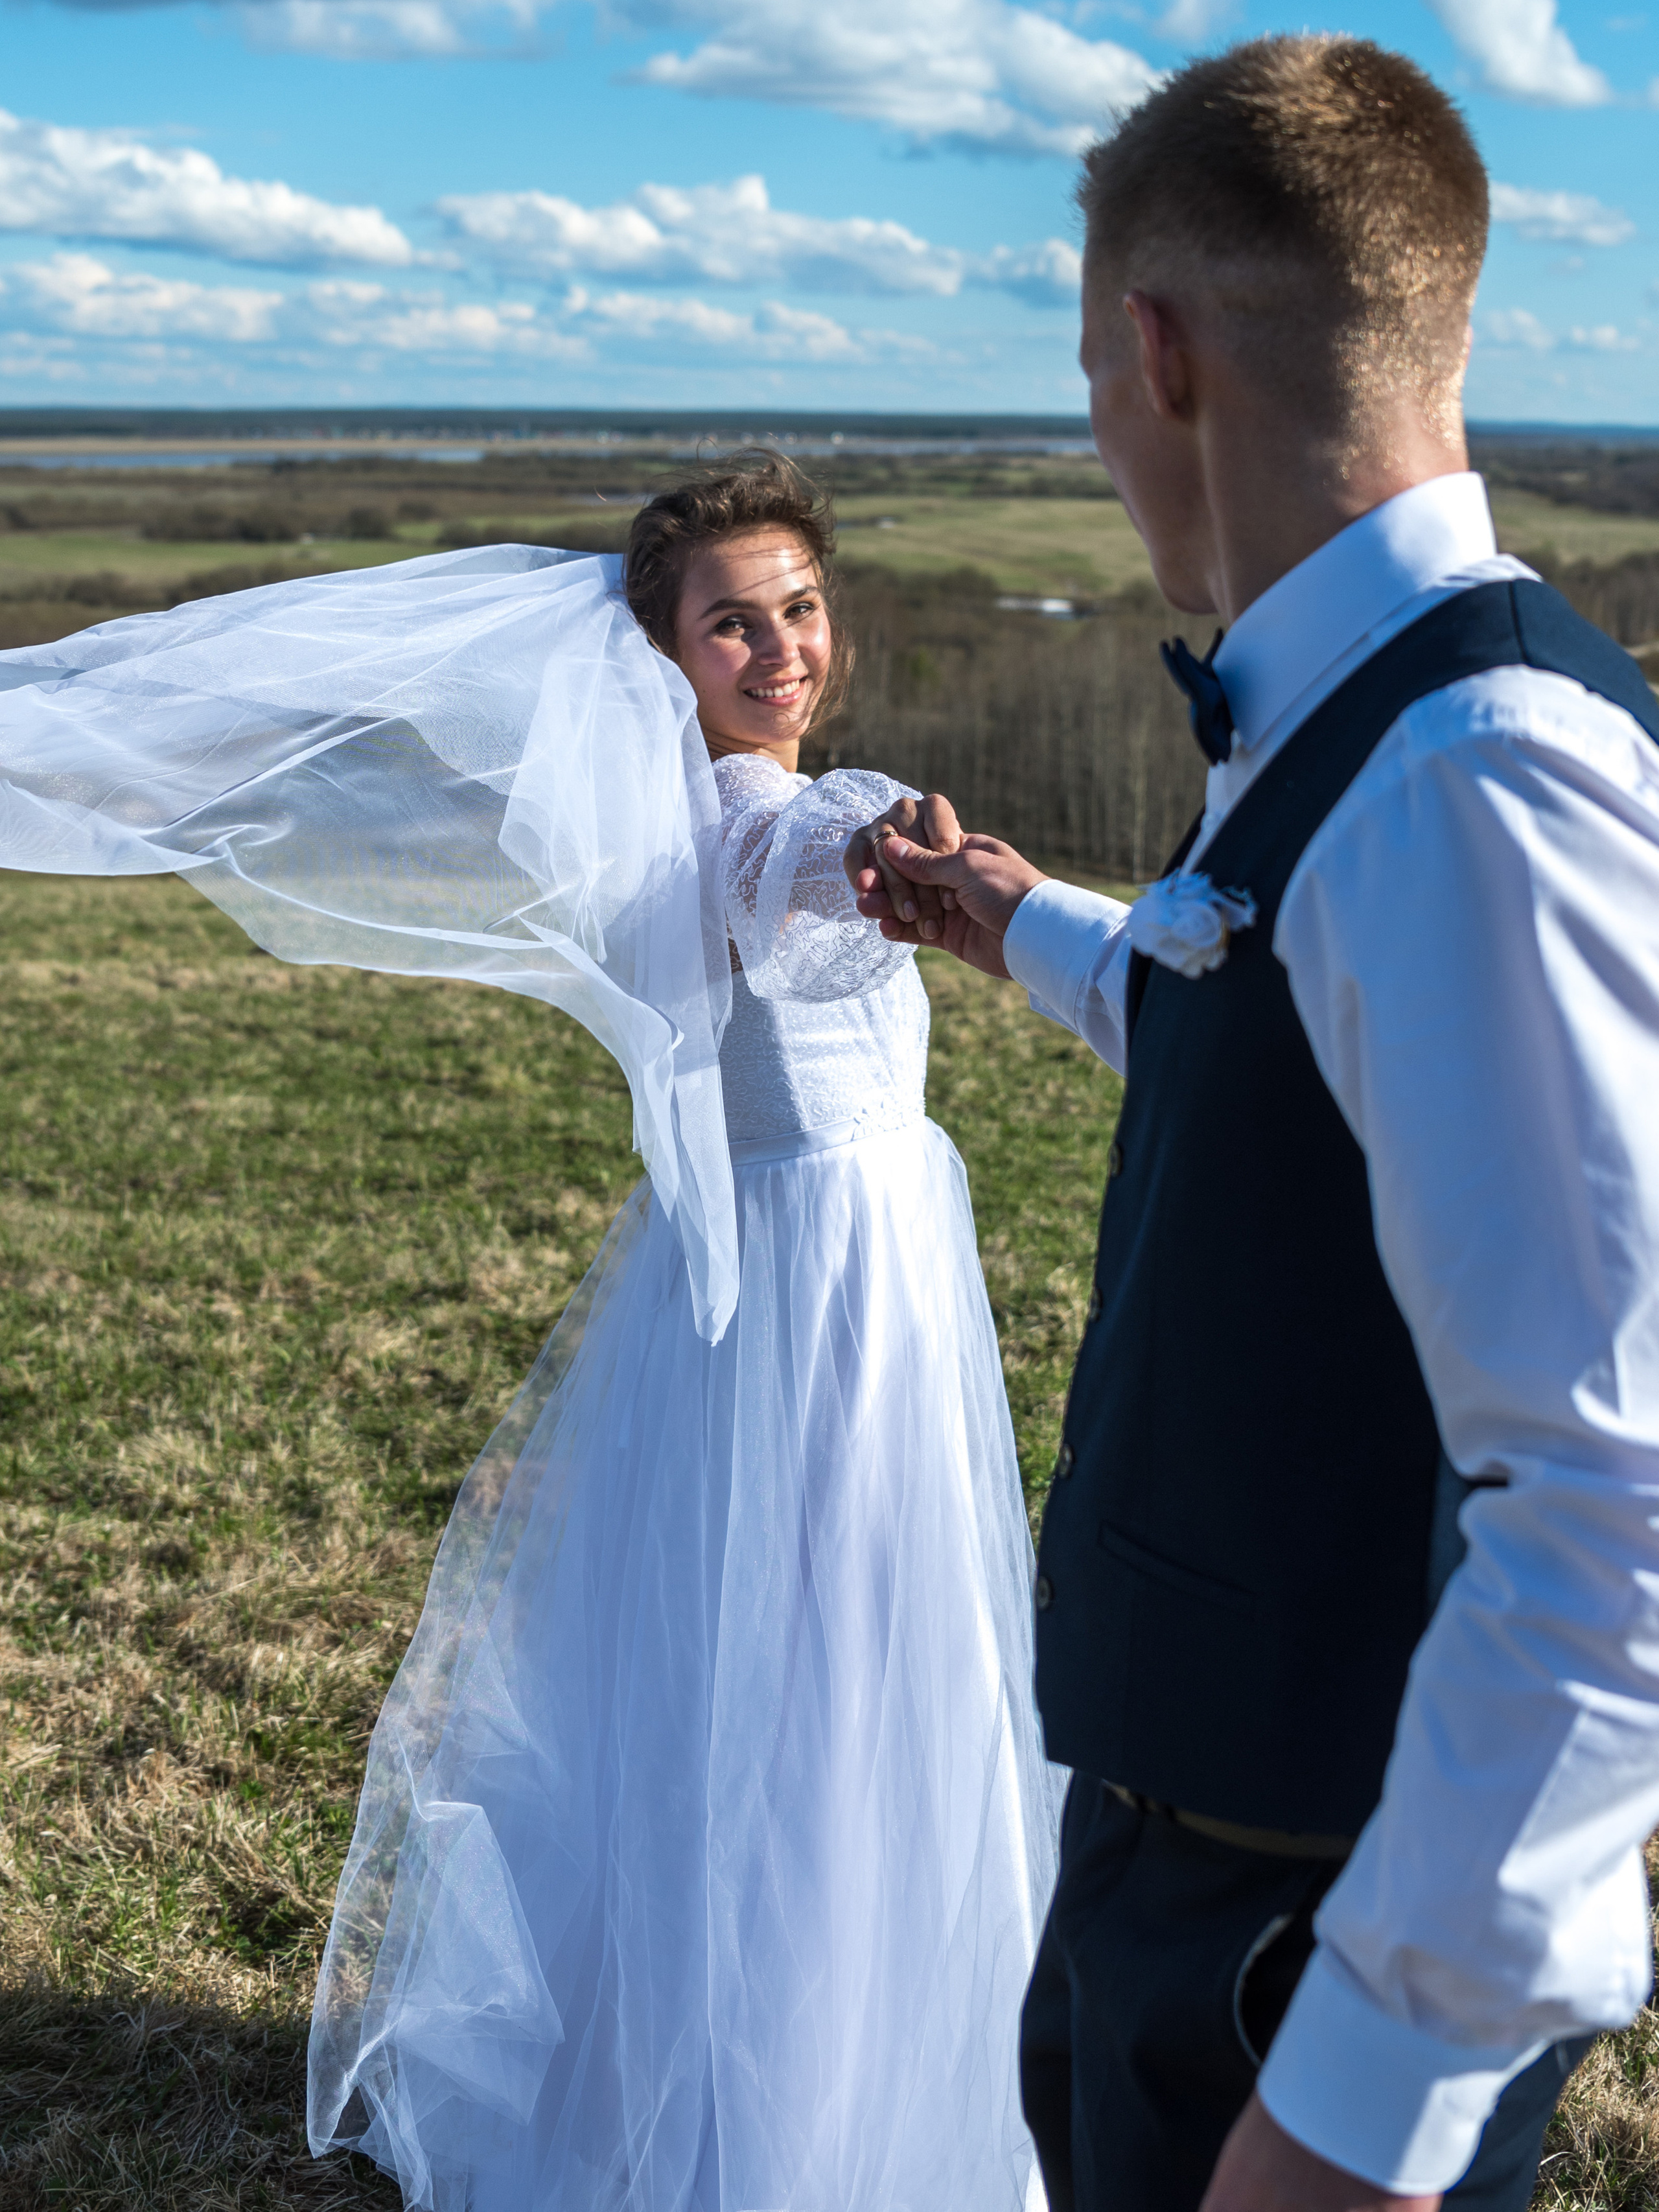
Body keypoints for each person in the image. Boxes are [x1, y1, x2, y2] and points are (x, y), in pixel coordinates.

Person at [0, 454, 1061, 2211]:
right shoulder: (757, 824)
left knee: (801, 1655)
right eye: (733, 622)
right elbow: (808, 856)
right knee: (839, 1661)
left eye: (799, 606)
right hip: (820, 1293)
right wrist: (879, 850)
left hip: (815, 1268)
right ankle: (813, 2106)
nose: (779, 645)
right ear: (668, 656)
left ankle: (791, 2051)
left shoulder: (713, 814)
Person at [850, 34, 1659, 2212]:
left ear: (1154, 348)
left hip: (1298, 1957)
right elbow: (1295, 1045)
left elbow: (1616, 1506)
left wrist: (1357, 2115)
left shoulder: (1480, 780)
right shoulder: (1360, 731)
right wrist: (1017, 920)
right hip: (1194, 1880)